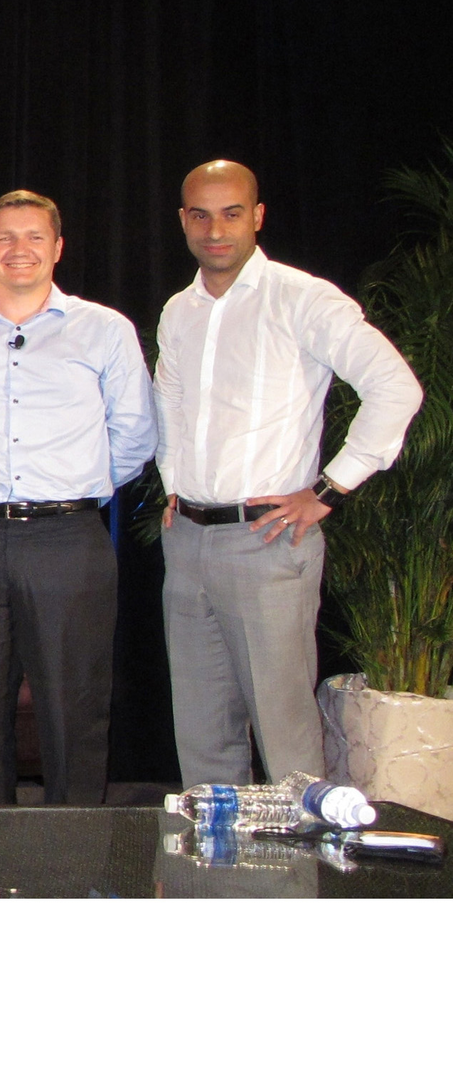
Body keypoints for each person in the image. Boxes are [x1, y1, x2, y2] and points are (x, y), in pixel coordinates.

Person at [156, 160, 421, 786]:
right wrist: (173, 482)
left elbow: (395, 387)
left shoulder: (303, 299)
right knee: (201, 733)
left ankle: (301, 875)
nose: (215, 229)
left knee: (286, 737)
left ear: (258, 216)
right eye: (201, 214)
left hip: (268, 543)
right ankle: (213, 876)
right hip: (188, 541)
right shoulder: (179, 311)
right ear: (183, 221)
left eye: (231, 213)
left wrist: (330, 489)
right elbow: (170, 400)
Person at [0, 190, 155, 806]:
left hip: (67, 540)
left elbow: (134, 433)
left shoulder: (105, 329)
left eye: (34, 237)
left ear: (57, 248)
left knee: (73, 708)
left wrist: (73, 483)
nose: (19, 249)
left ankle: (73, 865)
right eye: (5, 237)